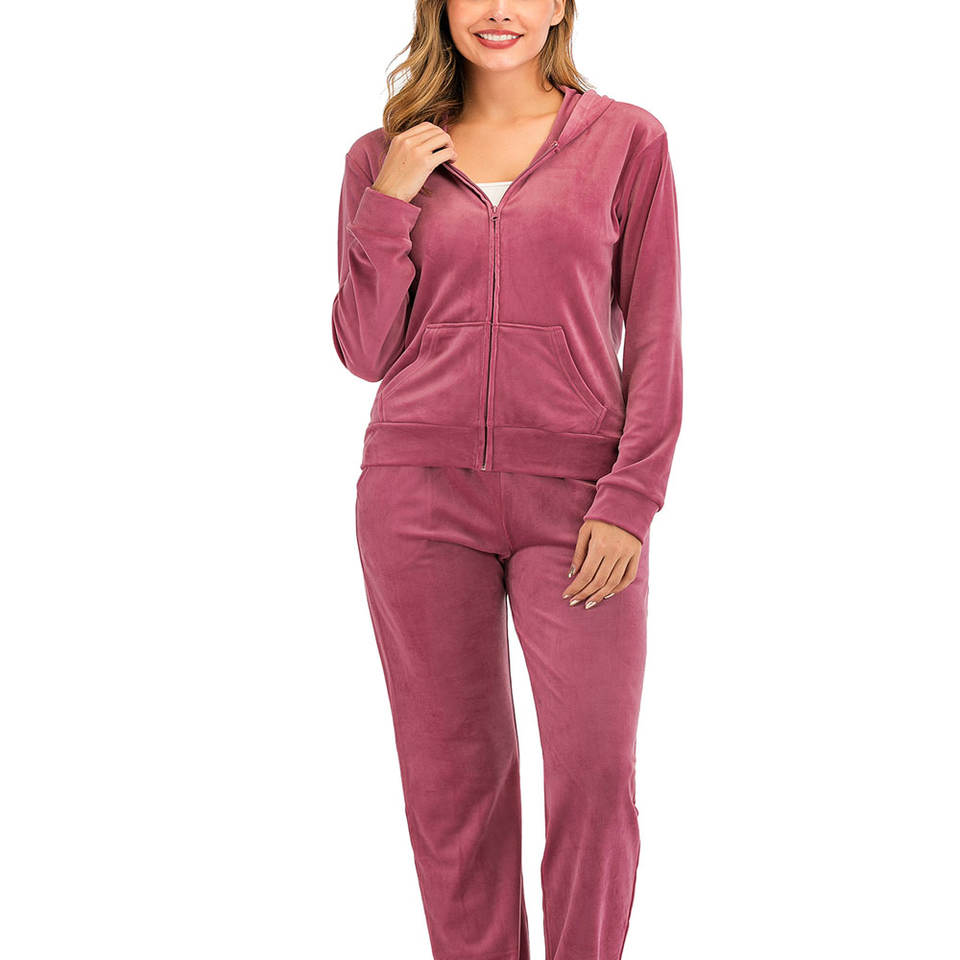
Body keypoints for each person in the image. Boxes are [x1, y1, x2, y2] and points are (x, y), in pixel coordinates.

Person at [330, 2, 682, 958]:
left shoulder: (626, 141)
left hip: (579, 502)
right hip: (416, 498)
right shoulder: (382, 155)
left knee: (594, 774)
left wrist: (631, 500)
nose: (498, 9)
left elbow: (656, 337)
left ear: (561, 4)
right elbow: (364, 351)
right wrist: (389, 202)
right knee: (453, 784)